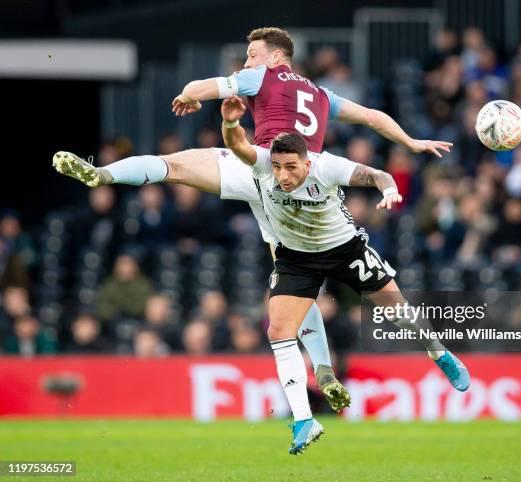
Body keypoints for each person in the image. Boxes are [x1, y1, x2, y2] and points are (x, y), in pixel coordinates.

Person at [52, 27, 451, 413]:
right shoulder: (320, 93)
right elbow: (371, 116)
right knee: (297, 267)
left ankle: (104, 174)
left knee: (172, 167)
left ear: (276, 57)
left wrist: (187, 95)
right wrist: (411, 142)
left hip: (261, 167)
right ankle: (331, 369)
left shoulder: (262, 76)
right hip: (297, 179)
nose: (247, 62)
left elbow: (203, 87)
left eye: (252, 54)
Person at [220, 96, 470, 454]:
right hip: (298, 258)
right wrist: (230, 123)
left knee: (397, 311)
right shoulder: (266, 165)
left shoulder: (327, 166)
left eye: (291, 167)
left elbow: (375, 174)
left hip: (344, 249)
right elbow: (238, 146)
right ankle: (305, 419)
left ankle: (438, 353)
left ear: (307, 162)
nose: (283, 175)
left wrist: (389, 188)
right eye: (277, 167)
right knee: (278, 330)